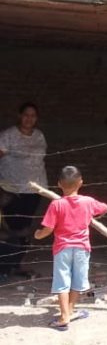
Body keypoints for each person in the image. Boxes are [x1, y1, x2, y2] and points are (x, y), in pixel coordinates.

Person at [34, 166, 107, 331]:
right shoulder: (88, 202)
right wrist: (92, 214)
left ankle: (64, 317)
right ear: (81, 182)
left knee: (62, 282)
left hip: (62, 248)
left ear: (59, 184)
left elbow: (48, 229)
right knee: (77, 280)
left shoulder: (56, 204)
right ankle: (69, 310)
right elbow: (105, 207)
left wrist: (38, 234)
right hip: (82, 248)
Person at [0, 102, 48, 280]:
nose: (29, 119)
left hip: (34, 188)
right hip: (11, 189)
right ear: (19, 115)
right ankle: (6, 265)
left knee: (25, 227)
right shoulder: (8, 136)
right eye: (26, 115)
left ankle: (16, 263)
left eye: (33, 116)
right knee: (12, 227)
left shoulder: (39, 136)